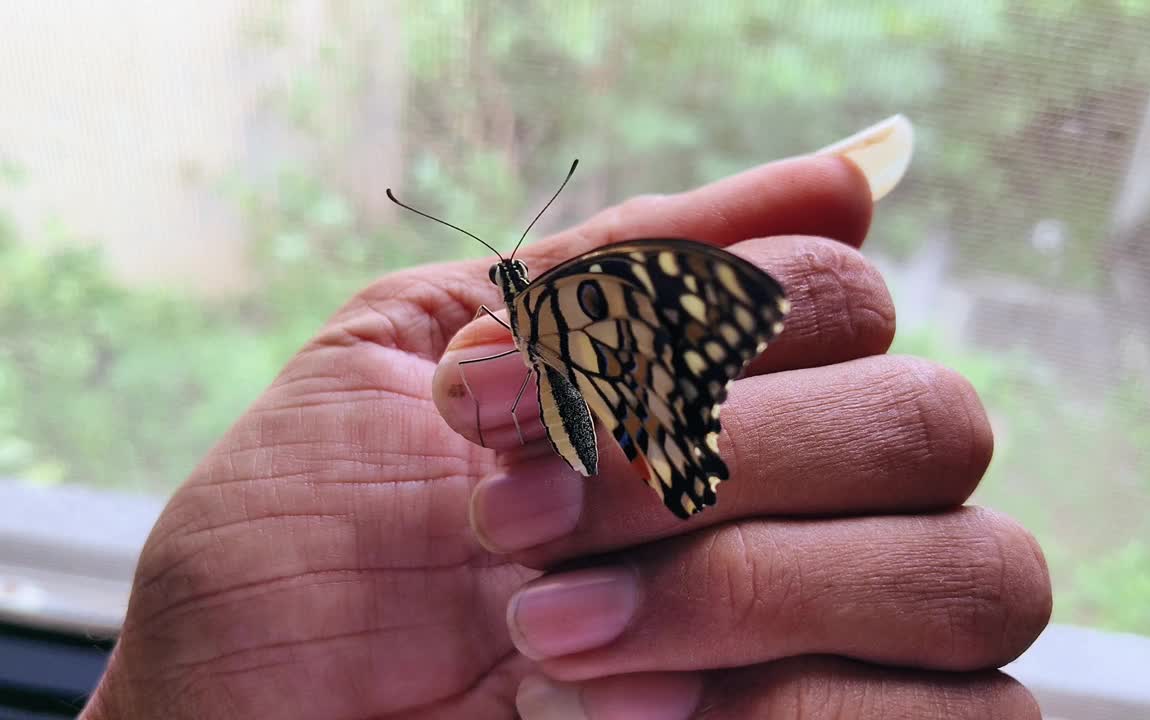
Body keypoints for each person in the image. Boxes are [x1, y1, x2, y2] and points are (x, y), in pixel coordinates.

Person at [81, 135, 1051, 719]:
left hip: (615, 425)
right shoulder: (491, 337)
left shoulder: (563, 303)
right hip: (592, 425)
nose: (504, 291)